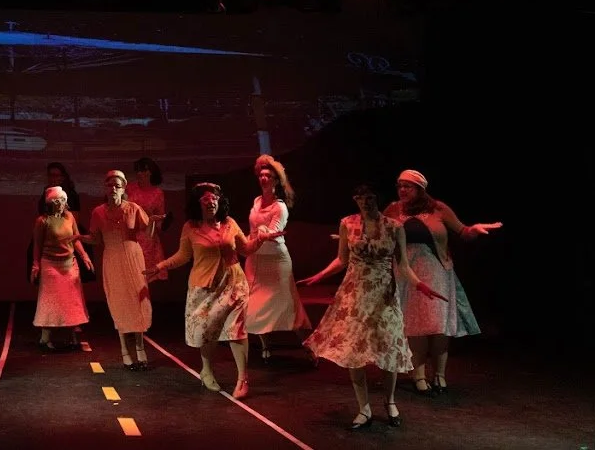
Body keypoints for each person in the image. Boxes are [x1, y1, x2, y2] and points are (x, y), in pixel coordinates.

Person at [300, 184, 448, 431]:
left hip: (383, 294)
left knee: (388, 348)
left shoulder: (394, 227)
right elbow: (342, 259)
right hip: (355, 294)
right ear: (355, 199)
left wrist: (421, 286)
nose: (365, 202)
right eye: (360, 198)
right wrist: (320, 275)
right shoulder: (347, 223)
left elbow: (403, 265)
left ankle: (390, 402)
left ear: (376, 199)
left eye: (369, 198)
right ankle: (364, 408)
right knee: (354, 350)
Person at [383, 168, 502, 395]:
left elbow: (463, 231)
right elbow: (377, 231)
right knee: (415, 325)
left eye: (407, 186)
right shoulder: (393, 209)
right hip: (407, 273)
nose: (402, 190)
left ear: (420, 189)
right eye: (399, 186)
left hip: (437, 271)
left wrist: (475, 229)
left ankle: (439, 375)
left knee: (439, 326)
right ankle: (418, 376)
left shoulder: (438, 208)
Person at [145, 182, 269, 398]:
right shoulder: (190, 227)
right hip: (205, 287)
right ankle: (207, 371)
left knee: (237, 330)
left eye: (214, 198)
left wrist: (260, 239)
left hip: (234, 284)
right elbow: (183, 256)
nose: (211, 202)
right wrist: (160, 266)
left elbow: (245, 249)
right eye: (205, 199)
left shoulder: (229, 223)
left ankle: (243, 379)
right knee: (207, 332)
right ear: (198, 203)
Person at [245, 154, 312, 362]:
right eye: (261, 175)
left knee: (287, 306)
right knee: (254, 305)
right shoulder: (256, 202)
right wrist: (244, 242)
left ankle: (309, 348)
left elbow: (273, 230)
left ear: (275, 181)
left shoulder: (279, 207)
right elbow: (253, 231)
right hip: (255, 260)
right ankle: (266, 345)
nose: (263, 178)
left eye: (268, 176)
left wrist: (261, 234)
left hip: (275, 261)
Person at [83, 169, 152, 370]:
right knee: (118, 303)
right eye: (110, 185)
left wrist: (155, 221)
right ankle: (124, 351)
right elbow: (96, 239)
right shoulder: (98, 212)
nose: (113, 188)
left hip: (132, 257)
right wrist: (78, 237)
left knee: (137, 301)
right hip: (112, 259)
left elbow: (148, 232)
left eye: (117, 185)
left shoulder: (133, 208)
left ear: (123, 188)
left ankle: (140, 347)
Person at [31, 185, 93, 350]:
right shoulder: (42, 221)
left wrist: (84, 256)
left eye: (63, 200)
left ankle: (73, 337)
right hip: (50, 265)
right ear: (50, 203)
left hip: (69, 265)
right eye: (57, 201)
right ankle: (45, 338)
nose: (61, 203)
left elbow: (75, 238)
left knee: (71, 301)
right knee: (50, 301)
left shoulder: (69, 217)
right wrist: (35, 265)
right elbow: (37, 245)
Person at [126, 157, 170, 282]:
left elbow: (159, 218)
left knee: (145, 276)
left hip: (148, 237)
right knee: (130, 275)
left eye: (143, 170)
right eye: (138, 171)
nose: (140, 173)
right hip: (130, 234)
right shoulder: (129, 188)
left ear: (151, 172)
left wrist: (164, 223)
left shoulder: (158, 193)